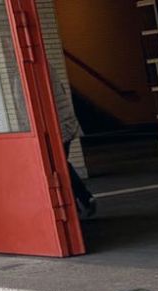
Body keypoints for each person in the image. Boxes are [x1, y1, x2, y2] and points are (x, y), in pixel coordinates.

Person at [54, 78, 97, 219]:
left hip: (55, 130)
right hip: (67, 126)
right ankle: (83, 200)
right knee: (63, 165)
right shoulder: (51, 71)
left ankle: (77, 204)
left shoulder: (22, 79)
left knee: (59, 167)